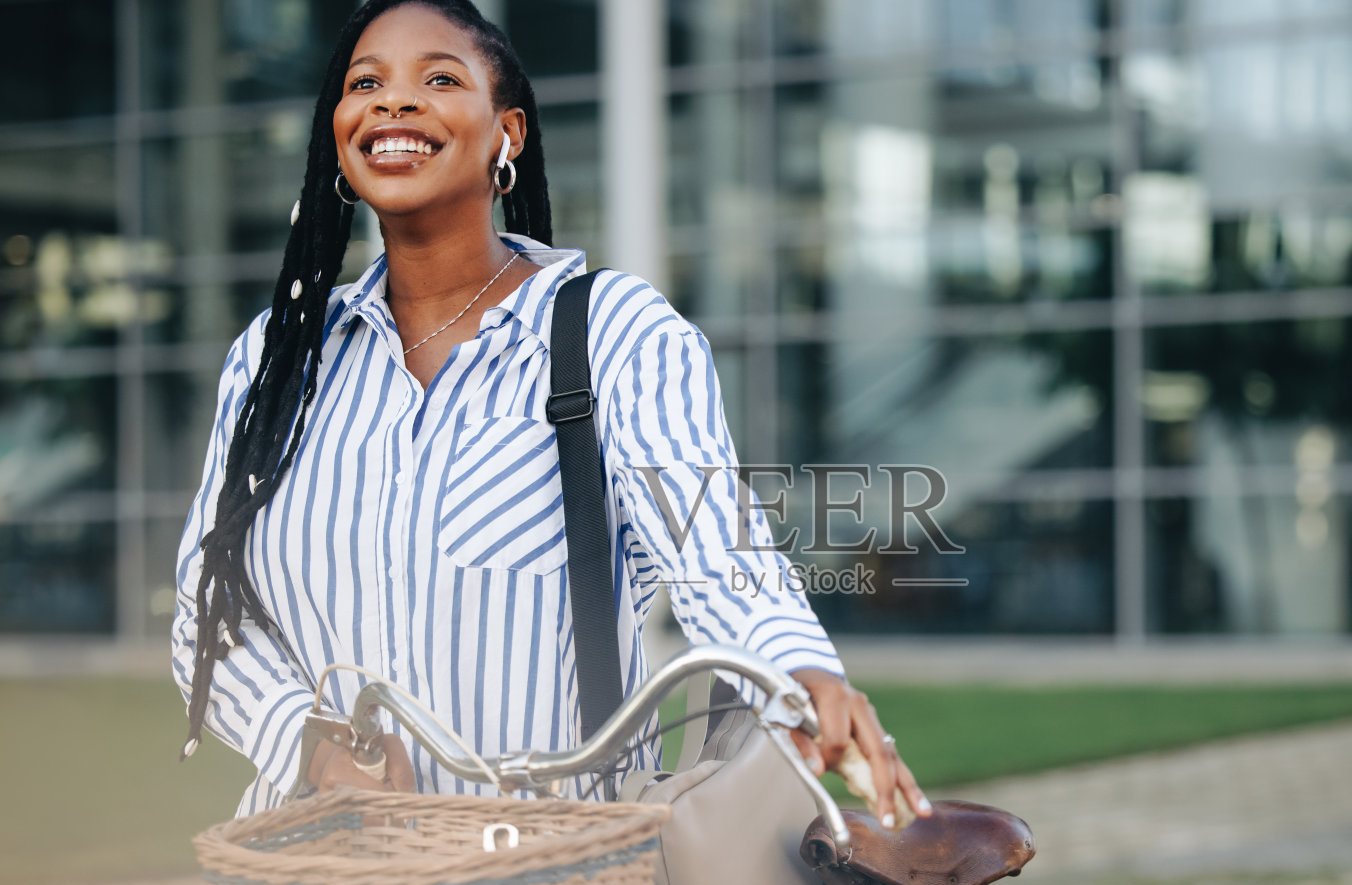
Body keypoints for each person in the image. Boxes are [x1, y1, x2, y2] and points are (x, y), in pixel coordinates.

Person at [171, 0, 928, 826]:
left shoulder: (614, 334)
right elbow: (207, 615)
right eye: (365, 82)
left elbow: (715, 553)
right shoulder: (277, 360)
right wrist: (310, 750)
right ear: (339, 129)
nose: (393, 101)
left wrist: (801, 672)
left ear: (509, 135)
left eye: (438, 78)